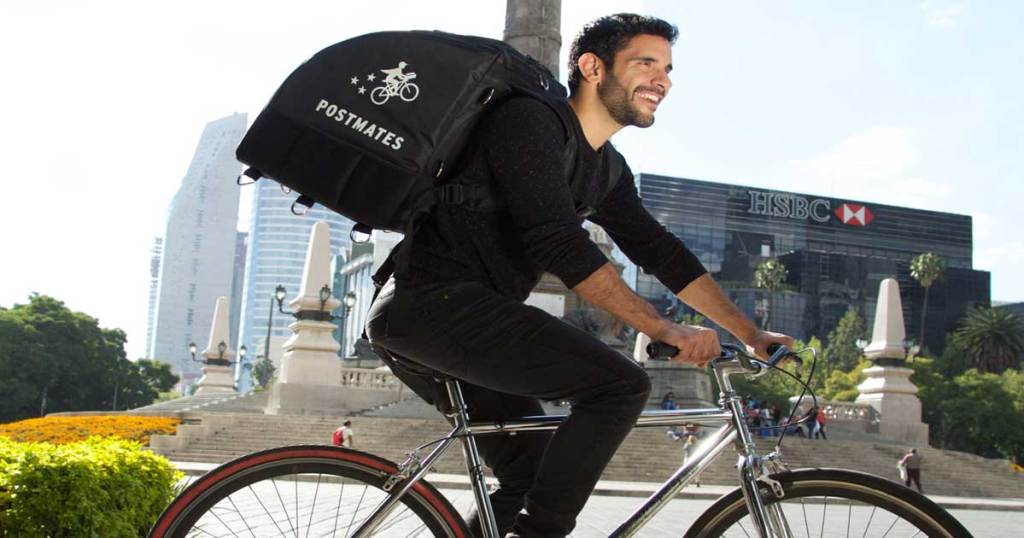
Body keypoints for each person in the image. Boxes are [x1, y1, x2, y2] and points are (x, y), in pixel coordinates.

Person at [366, 13, 794, 537]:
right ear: (592, 67)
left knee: (532, 473)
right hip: (430, 306)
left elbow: (659, 251)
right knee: (619, 384)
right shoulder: (528, 121)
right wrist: (662, 328)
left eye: (668, 68)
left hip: (463, 318)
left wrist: (748, 333)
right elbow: (557, 242)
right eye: (646, 62)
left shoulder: (606, 169)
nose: (663, 80)